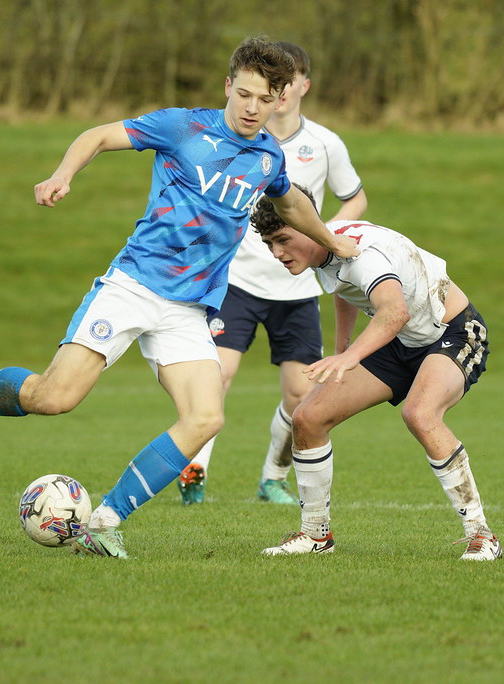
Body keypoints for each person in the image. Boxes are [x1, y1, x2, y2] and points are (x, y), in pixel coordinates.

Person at [0, 36, 359, 560]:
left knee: (205, 418)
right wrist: (61, 175)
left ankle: (105, 520)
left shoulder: (267, 156)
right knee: (54, 398)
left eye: (264, 99)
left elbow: (291, 202)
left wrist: (332, 241)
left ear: (280, 100)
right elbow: (98, 135)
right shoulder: (183, 126)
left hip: (188, 309)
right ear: (228, 87)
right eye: (244, 94)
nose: (253, 108)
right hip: (133, 286)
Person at [252, 186, 502, 561]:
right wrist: (342, 346)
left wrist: (351, 356)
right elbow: (344, 288)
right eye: (270, 244)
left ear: (306, 226)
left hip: (450, 332)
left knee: (420, 414)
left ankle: (482, 535)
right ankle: (315, 534)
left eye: (283, 240)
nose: (277, 253)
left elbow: (393, 310)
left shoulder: (361, 255)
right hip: (397, 339)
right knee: (307, 418)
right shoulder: (328, 247)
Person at [176, 41, 368, 506]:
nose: (279, 92)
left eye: (289, 81)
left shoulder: (325, 143)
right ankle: (194, 471)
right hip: (236, 283)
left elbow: (355, 197)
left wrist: (325, 236)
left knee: (300, 394)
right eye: (271, 85)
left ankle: (272, 478)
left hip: (298, 288)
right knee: (216, 376)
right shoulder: (240, 139)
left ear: (302, 86)